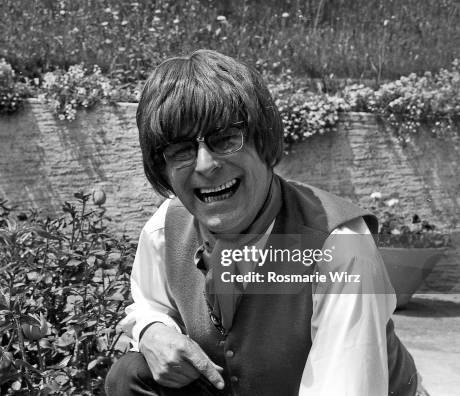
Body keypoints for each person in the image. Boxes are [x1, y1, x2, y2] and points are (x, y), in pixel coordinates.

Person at [105, 49, 422, 396]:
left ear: (263, 138)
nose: (206, 165)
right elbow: (148, 303)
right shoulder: (167, 226)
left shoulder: (341, 249)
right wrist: (152, 330)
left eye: (225, 138)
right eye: (181, 150)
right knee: (131, 375)